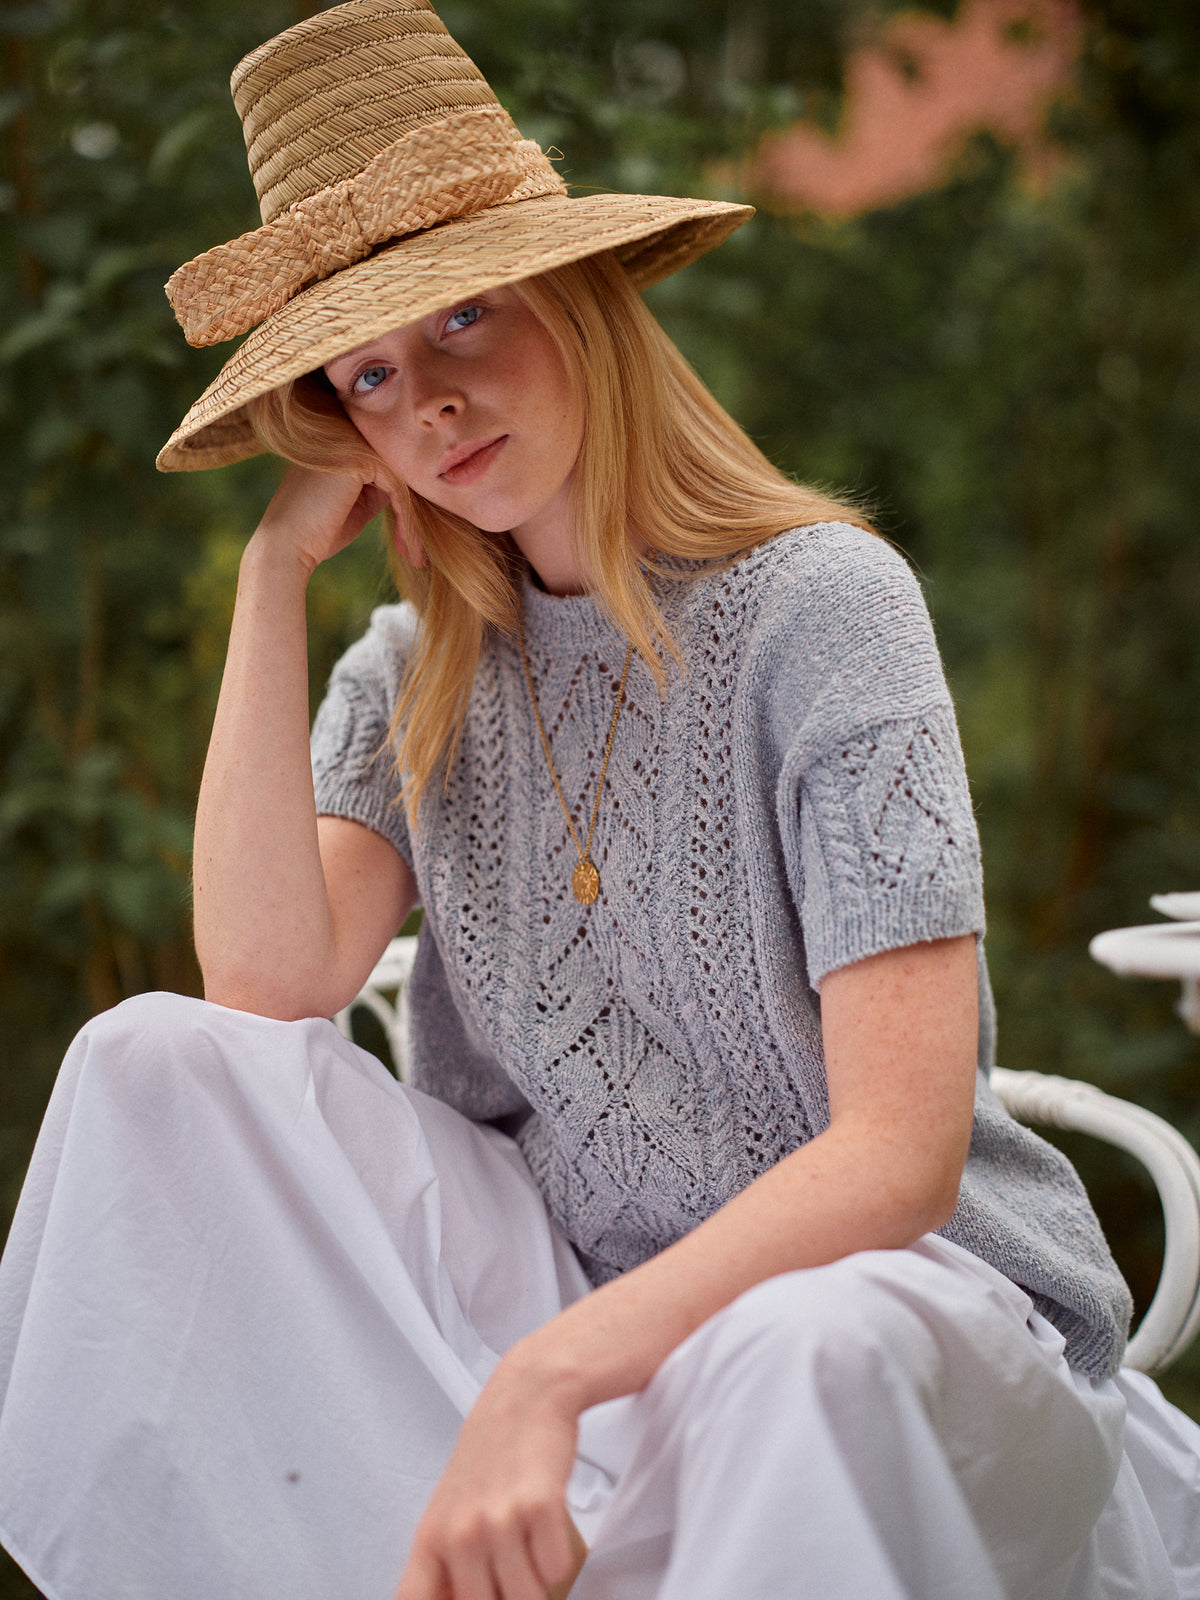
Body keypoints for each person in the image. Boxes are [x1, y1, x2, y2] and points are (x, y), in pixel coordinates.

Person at [1, 2, 1198, 1597]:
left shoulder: (822, 609)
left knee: (804, 1342)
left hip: (908, 1311)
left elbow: (901, 1155)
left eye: (464, 315)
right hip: (580, 1282)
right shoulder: (409, 672)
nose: (428, 402)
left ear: (577, 293)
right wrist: (271, 575)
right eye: (368, 374)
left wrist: (548, 1373)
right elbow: (266, 988)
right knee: (146, 1058)